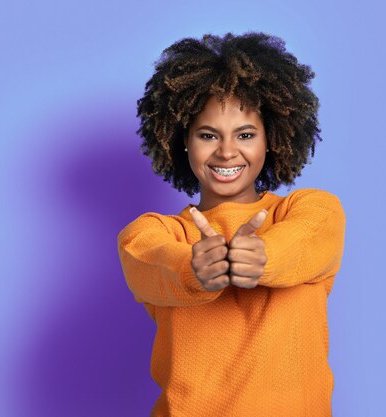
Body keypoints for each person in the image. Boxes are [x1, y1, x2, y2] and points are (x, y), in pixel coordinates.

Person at [117, 31, 346, 416]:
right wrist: (192, 268)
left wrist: (263, 255)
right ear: (183, 142)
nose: (226, 151)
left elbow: (304, 241)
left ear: (270, 139)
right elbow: (151, 258)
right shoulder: (152, 233)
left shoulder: (312, 210)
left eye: (245, 134)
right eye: (208, 135)